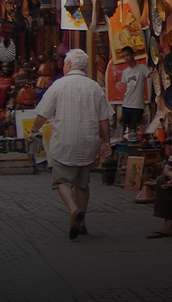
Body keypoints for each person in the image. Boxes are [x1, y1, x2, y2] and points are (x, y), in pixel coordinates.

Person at [29, 49, 113, 240]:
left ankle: (74, 210)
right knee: (82, 183)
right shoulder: (95, 87)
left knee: (61, 180)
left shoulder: (59, 86)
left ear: (68, 65)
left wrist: (33, 130)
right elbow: (104, 119)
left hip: (65, 141)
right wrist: (106, 141)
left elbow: (43, 114)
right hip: (88, 141)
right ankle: (81, 224)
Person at [118, 46, 150, 138]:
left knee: (133, 131)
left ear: (133, 55)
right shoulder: (125, 72)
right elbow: (125, 90)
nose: (126, 58)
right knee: (124, 132)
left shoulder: (142, 68)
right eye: (124, 56)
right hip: (126, 105)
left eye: (128, 55)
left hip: (137, 106)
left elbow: (152, 76)